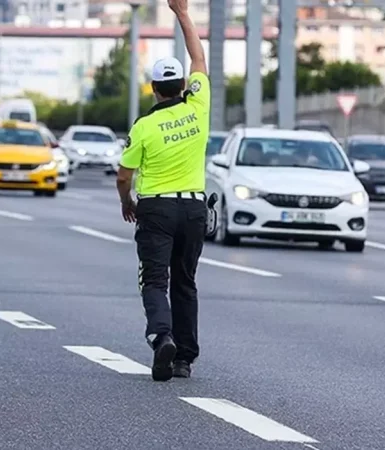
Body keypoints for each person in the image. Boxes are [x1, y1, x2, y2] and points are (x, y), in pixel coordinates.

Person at [115, 0, 210, 382]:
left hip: (156, 211)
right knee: (185, 282)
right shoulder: (199, 105)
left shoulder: (145, 126)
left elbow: (124, 175)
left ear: (154, 89)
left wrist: (128, 203)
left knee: (155, 281)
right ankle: (184, 359)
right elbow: (198, 57)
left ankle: (162, 336)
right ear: (183, 85)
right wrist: (183, 14)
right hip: (194, 210)